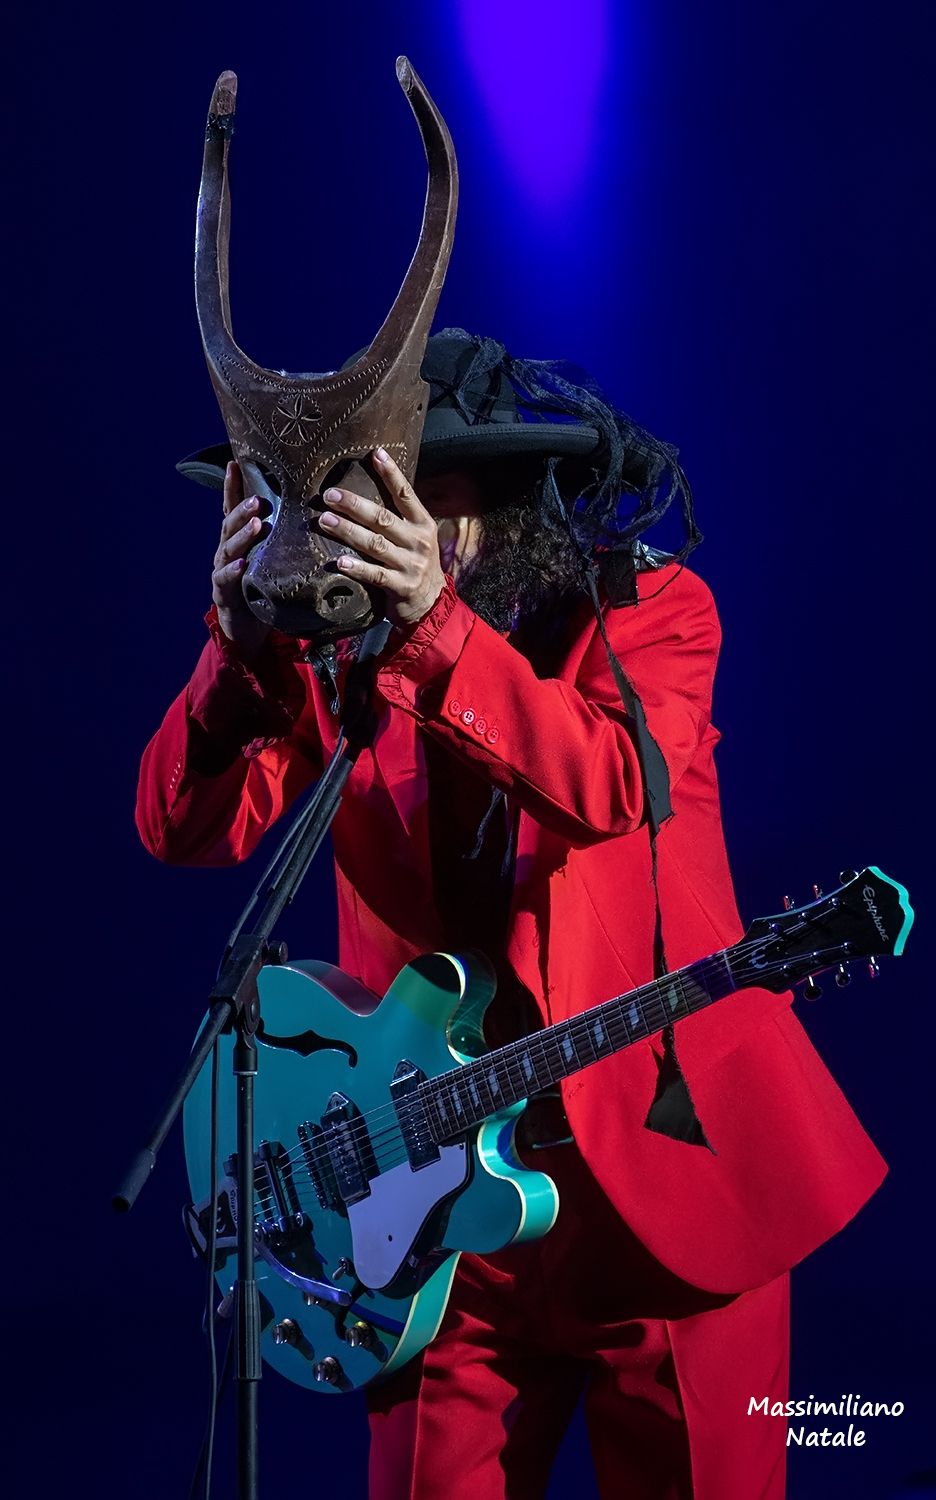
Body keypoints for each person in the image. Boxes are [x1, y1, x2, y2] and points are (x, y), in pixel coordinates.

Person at [137, 330, 887, 1500]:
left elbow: (614, 786)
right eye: (354, 513)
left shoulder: (649, 609)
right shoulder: (334, 658)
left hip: (662, 1178)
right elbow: (185, 828)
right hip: (430, 1215)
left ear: (503, 503)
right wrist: (237, 655)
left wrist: (437, 629)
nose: (382, 546)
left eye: (415, 507)